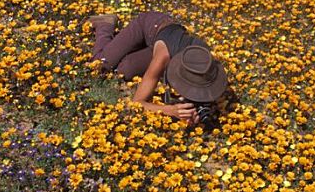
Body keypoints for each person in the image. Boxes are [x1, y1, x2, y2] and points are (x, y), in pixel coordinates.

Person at [88, 11, 228, 126]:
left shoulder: (205, 62)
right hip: (149, 25)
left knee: (124, 70)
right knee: (101, 65)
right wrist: (169, 110)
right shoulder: (163, 57)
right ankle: (105, 23)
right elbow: (138, 102)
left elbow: (201, 88)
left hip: (162, 41)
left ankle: (125, 45)